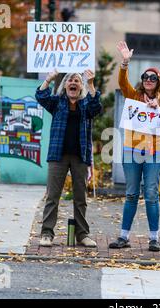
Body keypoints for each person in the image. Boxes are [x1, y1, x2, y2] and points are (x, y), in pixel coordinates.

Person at [109, 41, 160, 252]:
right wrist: (125, 62)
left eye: (153, 78)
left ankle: (154, 238)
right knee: (131, 193)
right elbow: (122, 81)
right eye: (145, 77)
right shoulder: (133, 96)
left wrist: (157, 109)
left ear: (158, 82)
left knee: (152, 194)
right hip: (131, 151)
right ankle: (123, 236)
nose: (148, 80)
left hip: (154, 153)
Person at [35, 69, 103, 247]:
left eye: (77, 81)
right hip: (58, 156)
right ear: (65, 85)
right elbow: (41, 96)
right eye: (70, 80)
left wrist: (90, 83)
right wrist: (49, 79)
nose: (73, 83)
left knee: (80, 198)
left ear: (80, 87)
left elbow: (97, 106)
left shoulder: (86, 105)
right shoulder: (57, 103)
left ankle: (82, 234)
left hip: (80, 157)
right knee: (53, 196)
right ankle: (47, 233)